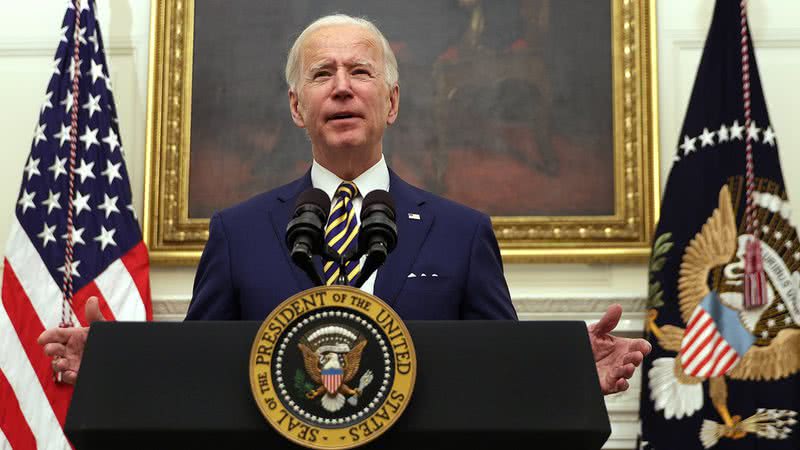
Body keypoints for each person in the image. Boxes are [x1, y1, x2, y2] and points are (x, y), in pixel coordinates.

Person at [39, 14, 650, 394]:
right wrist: (115, 365)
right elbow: (202, 369)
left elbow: (499, 369)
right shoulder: (239, 231)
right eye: (321, 74)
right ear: (296, 107)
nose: (341, 86)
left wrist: (573, 376)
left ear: (392, 103)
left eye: (360, 71)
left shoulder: (461, 233)